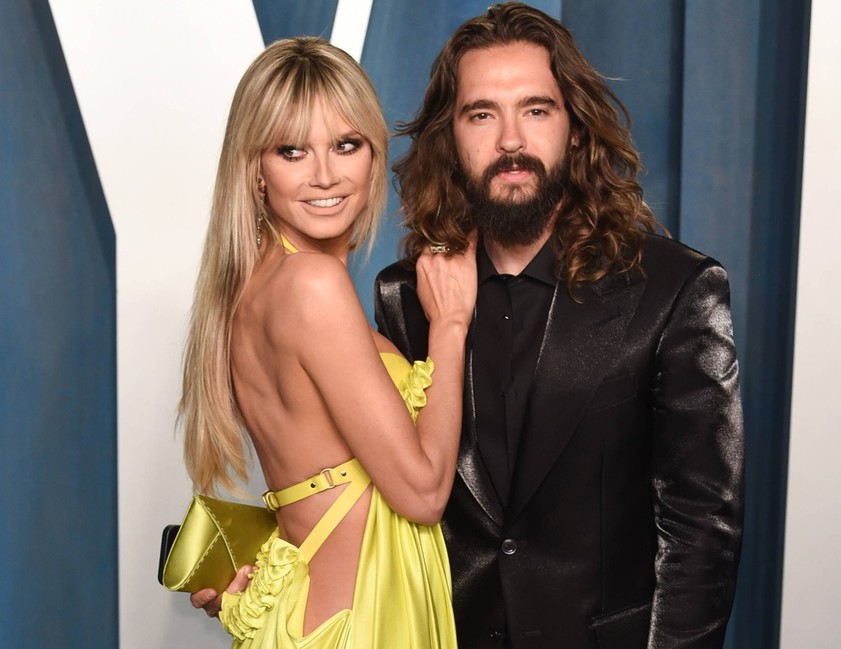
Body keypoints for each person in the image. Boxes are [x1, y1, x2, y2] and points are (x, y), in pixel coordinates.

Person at [374, 3, 744, 648]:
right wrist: (259, 564)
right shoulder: (406, 297)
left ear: (575, 130)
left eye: (536, 110)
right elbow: (371, 491)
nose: (511, 140)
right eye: (481, 114)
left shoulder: (676, 289)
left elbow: (701, 526)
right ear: (450, 138)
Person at [180, 37, 476, 648]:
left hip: (319, 614)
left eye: (346, 145)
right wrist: (448, 328)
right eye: (292, 150)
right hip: (360, 623)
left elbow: (314, 475)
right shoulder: (312, 285)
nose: (325, 175)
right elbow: (421, 493)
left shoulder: (253, 287)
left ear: (373, 154)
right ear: (255, 169)